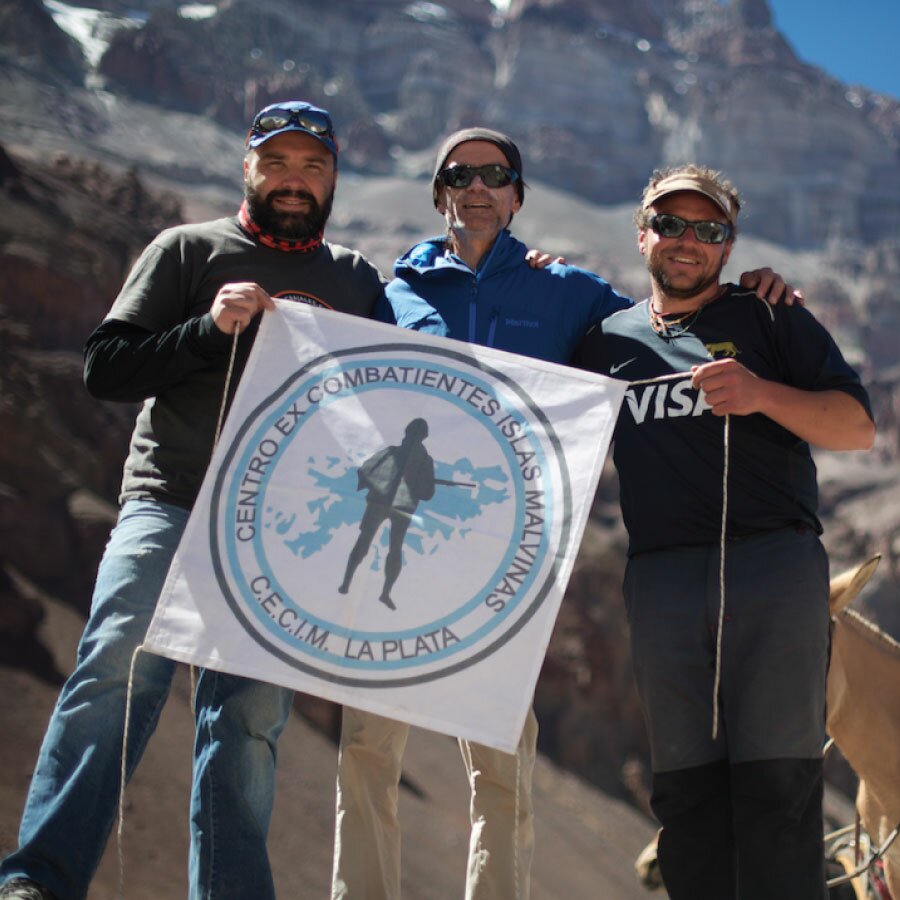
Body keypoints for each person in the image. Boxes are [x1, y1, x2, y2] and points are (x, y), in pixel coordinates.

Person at [334, 127, 799, 900]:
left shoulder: (568, 292)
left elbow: (668, 324)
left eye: (496, 175)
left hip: (500, 559)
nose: (478, 186)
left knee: (502, 768)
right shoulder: (398, 291)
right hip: (406, 550)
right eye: (460, 174)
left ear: (516, 196)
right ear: (440, 191)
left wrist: (754, 296)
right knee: (367, 749)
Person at [0, 101, 441, 900]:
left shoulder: (352, 280)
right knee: (112, 680)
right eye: (278, 162)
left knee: (246, 728)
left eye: (312, 166)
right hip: (168, 502)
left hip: (280, 534)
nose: (295, 180)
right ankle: (39, 880)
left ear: (334, 176)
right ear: (249, 166)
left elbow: (404, 388)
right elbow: (105, 368)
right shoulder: (187, 250)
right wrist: (208, 329)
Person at [573, 164, 876, 899]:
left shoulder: (770, 318)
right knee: (684, 798)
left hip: (774, 569)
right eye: (670, 224)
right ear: (641, 233)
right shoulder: (604, 342)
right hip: (664, 584)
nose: (687, 242)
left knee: (779, 788)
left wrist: (762, 394)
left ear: (728, 247)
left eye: (708, 230)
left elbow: (858, 428)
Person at [339, 418, 437, 608]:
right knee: (368, 542)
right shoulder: (397, 454)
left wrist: (416, 483)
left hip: (397, 506)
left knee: (390, 547)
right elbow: (366, 470)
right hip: (384, 503)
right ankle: (348, 583)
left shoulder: (417, 458)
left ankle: (380, 592)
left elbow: (427, 493)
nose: (412, 438)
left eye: (415, 435)